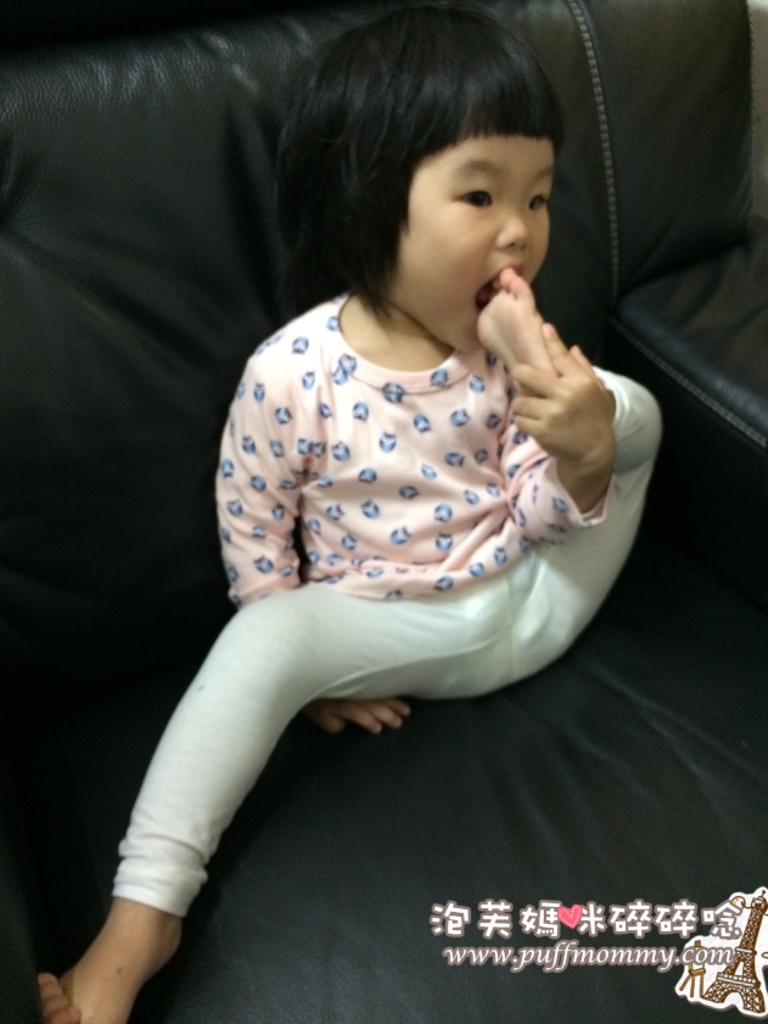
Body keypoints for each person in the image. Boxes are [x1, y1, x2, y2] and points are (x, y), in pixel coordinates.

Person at [38, 3, 661, 1022]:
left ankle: (612, 428)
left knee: (637, 410)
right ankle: (143, 918)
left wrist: (584, 450)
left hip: (543, 593)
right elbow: (252, 520)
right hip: (399, 630)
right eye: (480, 194)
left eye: (540, 196)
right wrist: (305, 671)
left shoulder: (511, 355)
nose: (521, 231)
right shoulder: (293, 372)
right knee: (265, 638)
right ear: (370, 205)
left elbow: (545, 516)